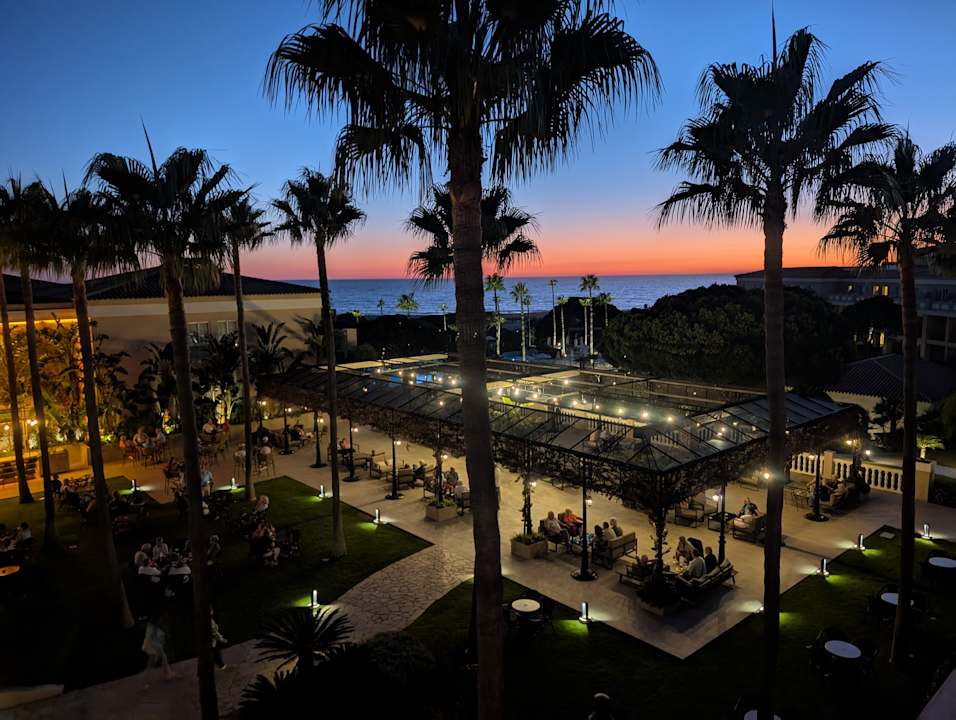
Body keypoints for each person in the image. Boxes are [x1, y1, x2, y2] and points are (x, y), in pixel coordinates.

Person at [141, 615, 176, 682]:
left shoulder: (153, 626)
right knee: (158, 659)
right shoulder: (151, 626)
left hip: (154, 645)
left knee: (161, 658)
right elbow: (150, 637)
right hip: (153, 645)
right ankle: (167, 673)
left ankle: (167, 673)